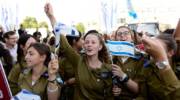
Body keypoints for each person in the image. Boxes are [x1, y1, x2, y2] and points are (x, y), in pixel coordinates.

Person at [44, 3, 121, 99]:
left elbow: (110, 95)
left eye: (93, 42)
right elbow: (63, 41)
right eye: (87, 42)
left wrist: (116, 91)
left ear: (100, 47)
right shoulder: (78, 61)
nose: (89, 44)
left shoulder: (109, 67)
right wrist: (51, 16)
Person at [136, 33, 180, 100]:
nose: (154, 51)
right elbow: (143, 95)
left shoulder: (177, 68)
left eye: (158, 48)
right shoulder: (148, 67)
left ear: (170, 53)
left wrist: (161, 60)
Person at [111, 26, 143, 99]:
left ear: (132, 37)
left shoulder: (141, 57)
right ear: (116, 38)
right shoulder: (111, 58)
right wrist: (113, 89)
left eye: (126, 33)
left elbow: (139, 90)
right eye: (119, 34)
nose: (122, 36)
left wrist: (123, 76)